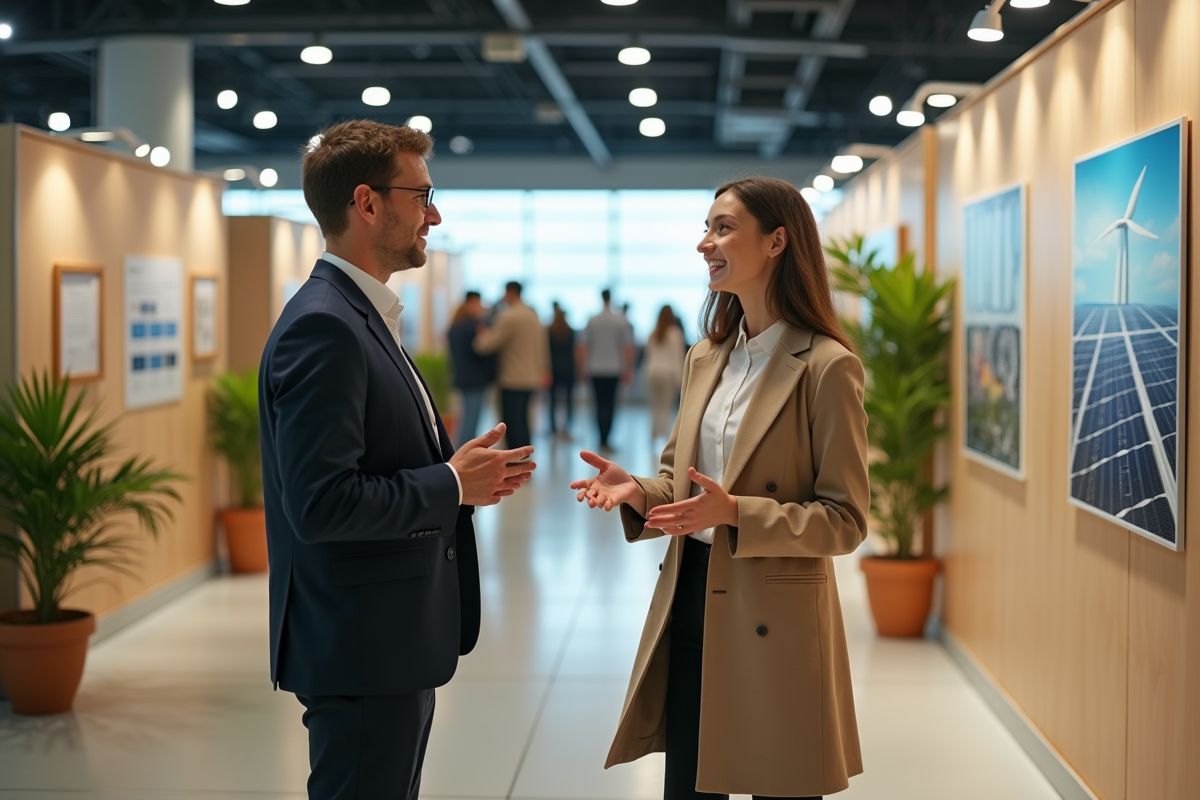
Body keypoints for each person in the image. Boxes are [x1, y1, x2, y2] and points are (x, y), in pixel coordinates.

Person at [258, 120, 537, 800]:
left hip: (381, 638)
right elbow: (322, 504)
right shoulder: (326, 325)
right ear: (368, 203)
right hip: (360, 646)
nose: (434, 215)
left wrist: (457, 477)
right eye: (422, 195)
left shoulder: (358, 314)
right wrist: (448, 483)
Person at [569, 177, 869, 800]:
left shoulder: (826, 367)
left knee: (780, 784)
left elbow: (844, 519)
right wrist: (639, 491)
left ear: (777, 241)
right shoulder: (706, 357)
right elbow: (683, 479)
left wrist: (737, 512)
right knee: (690, 783)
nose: (705, 242)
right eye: (706, 228)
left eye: (723, 228)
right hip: (694, 595)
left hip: (776, 613)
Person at [474, 281, 549, 450]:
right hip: (531, 377)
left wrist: (481, 335)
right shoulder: (533, 315)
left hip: (511, 378)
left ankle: (515, 459)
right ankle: (525, 455)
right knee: (524, 420)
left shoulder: (508, 316)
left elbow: (486, 346)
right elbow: (542, 347)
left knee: (512, 422)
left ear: (510, 292)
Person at [579, 289, 633, 451]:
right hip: (614, 368)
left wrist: (582, 367)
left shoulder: (592, 320)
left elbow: (583, 346)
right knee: (610, 405)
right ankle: (606, 439)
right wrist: (628, 368)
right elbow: (627, 347)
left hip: (595, 368)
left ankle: (600, 438)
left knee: (598, 404)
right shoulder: (620, 321)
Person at [448, 291, 498, 448]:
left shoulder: (455, 326)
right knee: (471, 421)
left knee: (467, 419)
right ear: (469, 304)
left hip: (463, 378)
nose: (481, 308)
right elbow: (483, 351)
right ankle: (465, 455)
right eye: (478, 303)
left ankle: (461, 453)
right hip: (475, 379)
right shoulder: (473, 328)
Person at [642, 304, 686, 441]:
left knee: (655, 406)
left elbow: (648, 357)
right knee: (665, 408)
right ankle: (666, 437)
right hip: (667, 375)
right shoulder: (675, 333)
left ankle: (653, 434)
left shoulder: (653, 333)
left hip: (653, 373)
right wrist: (680, 379)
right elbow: (678, 357)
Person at [547, 303, 577, 439]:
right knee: (569, 401)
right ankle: (567, 428)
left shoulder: (549, 331)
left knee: (553, 401)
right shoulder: (570, 331)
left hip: (554, 370)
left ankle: (553, 428)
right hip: (568, 370)